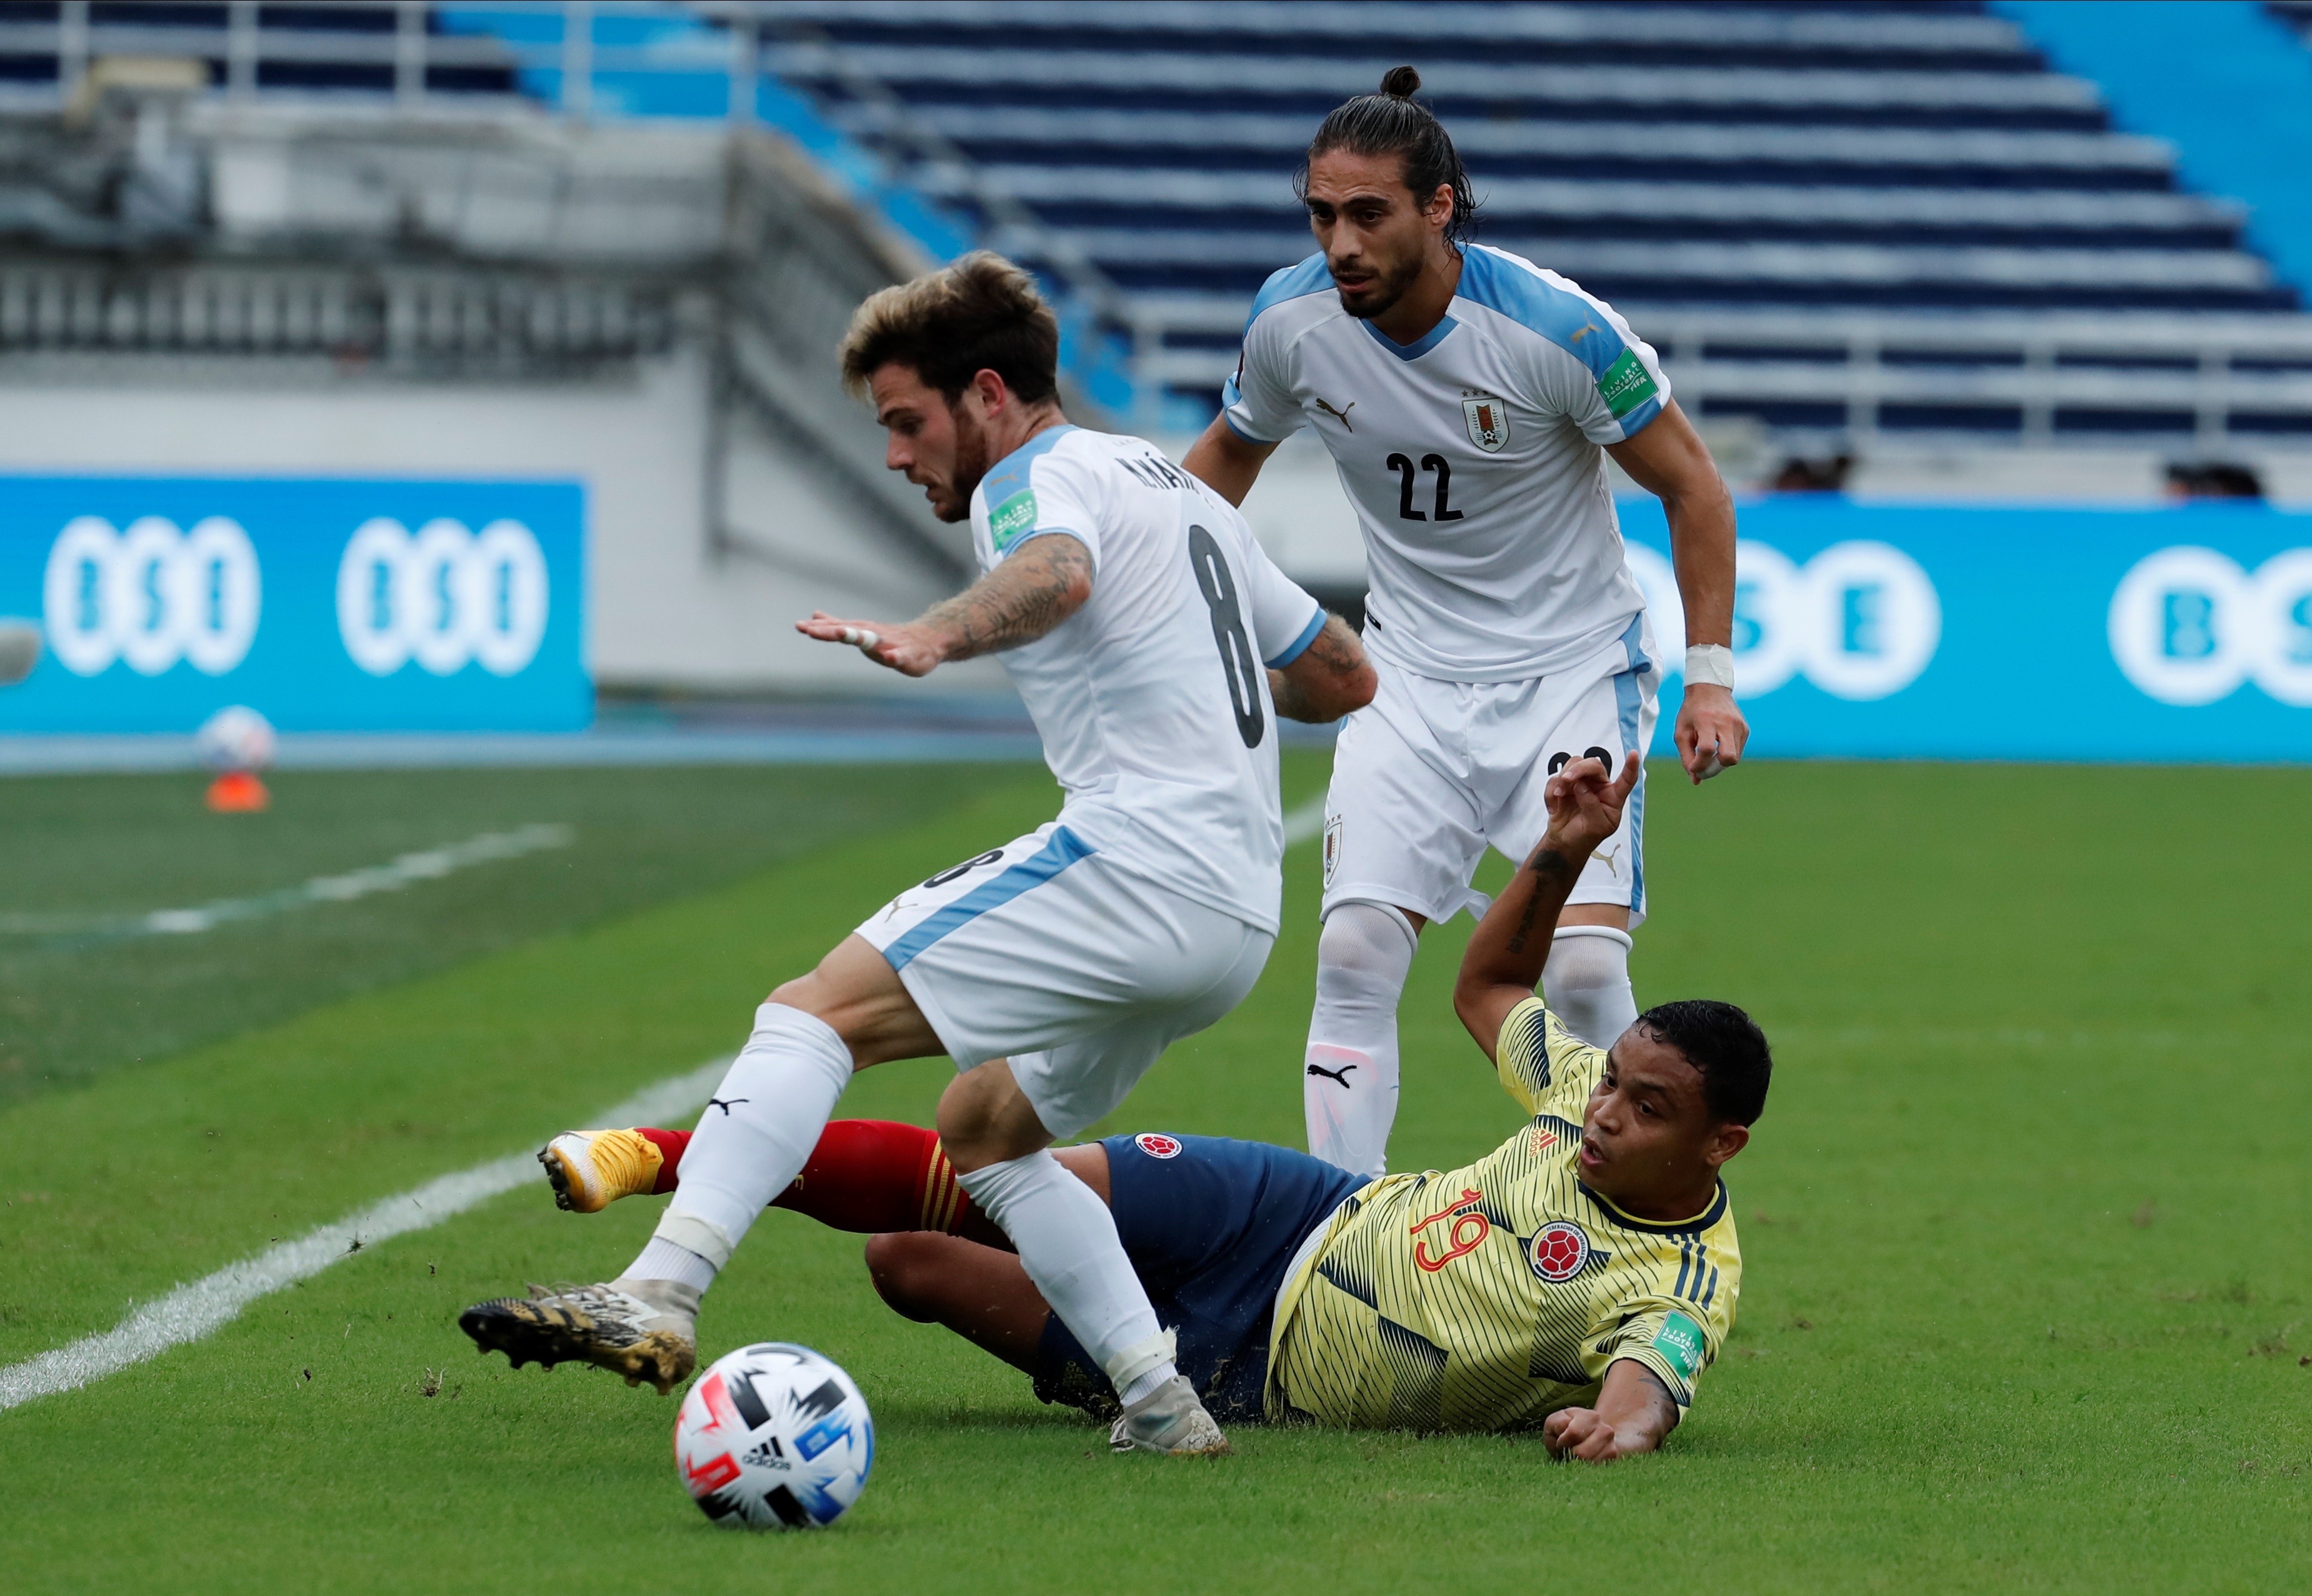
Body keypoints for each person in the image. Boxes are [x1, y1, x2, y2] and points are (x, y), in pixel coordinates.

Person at [459, 253, 1376, 1457]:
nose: (896, 455)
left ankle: (660, 1287)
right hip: (1234, 919)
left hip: (1138, 863)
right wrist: (1197, 681)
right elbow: (1341, 672)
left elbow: (1057, 571)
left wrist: (935, 633)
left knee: (811, 1013)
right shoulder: (1181, 489)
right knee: (987, 1129)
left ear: (987, 395)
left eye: (906, 421)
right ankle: (1158, 1399)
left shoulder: (1029, 479)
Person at [545, 753, 1769, 1460]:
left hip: (1256, 1368)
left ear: (1720, 1143)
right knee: (992, 1156)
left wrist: (1613, 1432)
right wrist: (1555, 850)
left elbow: (1646, 1384)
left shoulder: (1684, 1277)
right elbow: (1491, 982)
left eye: (1645, 1106)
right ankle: (658, 1154)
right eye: (1613, 1079)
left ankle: (1139, 1381)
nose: (1606, 1109)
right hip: (1297, 1213)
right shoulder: (1572, 1095)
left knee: (905, 1263)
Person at [1177, 67, 1749, 1181]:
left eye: (1367, 214)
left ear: (1438, 207)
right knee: (1350, 953)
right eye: (1321, 214)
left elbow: (1695, 488)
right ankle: (1338, 1238)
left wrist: (1711, 679)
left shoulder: (1554, 329)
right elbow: (1218, 472)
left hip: (1573, 673)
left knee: (1583, 977)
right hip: (1406, 679)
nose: (1339, 242)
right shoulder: (1289, 323)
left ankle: (1613, 1225)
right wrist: (1148, 585)